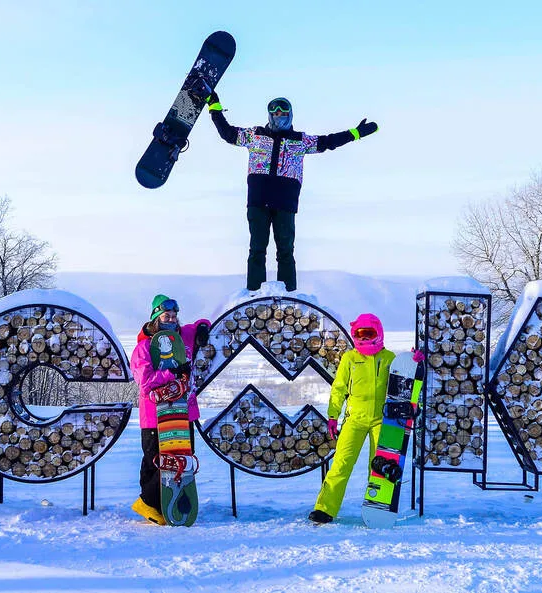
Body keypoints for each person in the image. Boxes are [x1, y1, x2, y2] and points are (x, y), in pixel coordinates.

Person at [206, 92, 378, 292]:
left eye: (283, 112)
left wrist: (356, 133)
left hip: (285, 204)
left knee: (285, 251)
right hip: (258, 202)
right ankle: (253, 294)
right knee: (257, 250)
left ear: (290, 114)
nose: (278, 115)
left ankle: (289, 295)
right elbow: (227, 133)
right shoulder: (255, 135)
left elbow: (329, 142)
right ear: (269, 114)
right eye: (274, 112)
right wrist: (214, 106)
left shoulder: (301, 140)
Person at [129, 294, 210, 525]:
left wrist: (203, 328)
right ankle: (148, 503)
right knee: (156, 461)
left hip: (183, 411)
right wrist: (172, 373)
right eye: (166, 316)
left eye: (174, 316)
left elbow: (203, 322)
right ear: (156, 317)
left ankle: (158, 505)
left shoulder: (183, 336)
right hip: (155, 414)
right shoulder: (144, 347)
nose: (172, 319)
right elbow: (145, 382)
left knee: (181, 459)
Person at [308, 313, 395, 524]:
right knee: (341, 463)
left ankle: (377, 509)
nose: (363, 338)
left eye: (368, 333)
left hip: (381, 420)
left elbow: (404, 383)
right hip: (354, 419)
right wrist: (333, 415)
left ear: (378, 333)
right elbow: (338, 388)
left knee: (380, 466)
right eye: (359, 334)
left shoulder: (390, 358)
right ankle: (324, 509)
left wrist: (413, 363)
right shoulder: (350, 358)